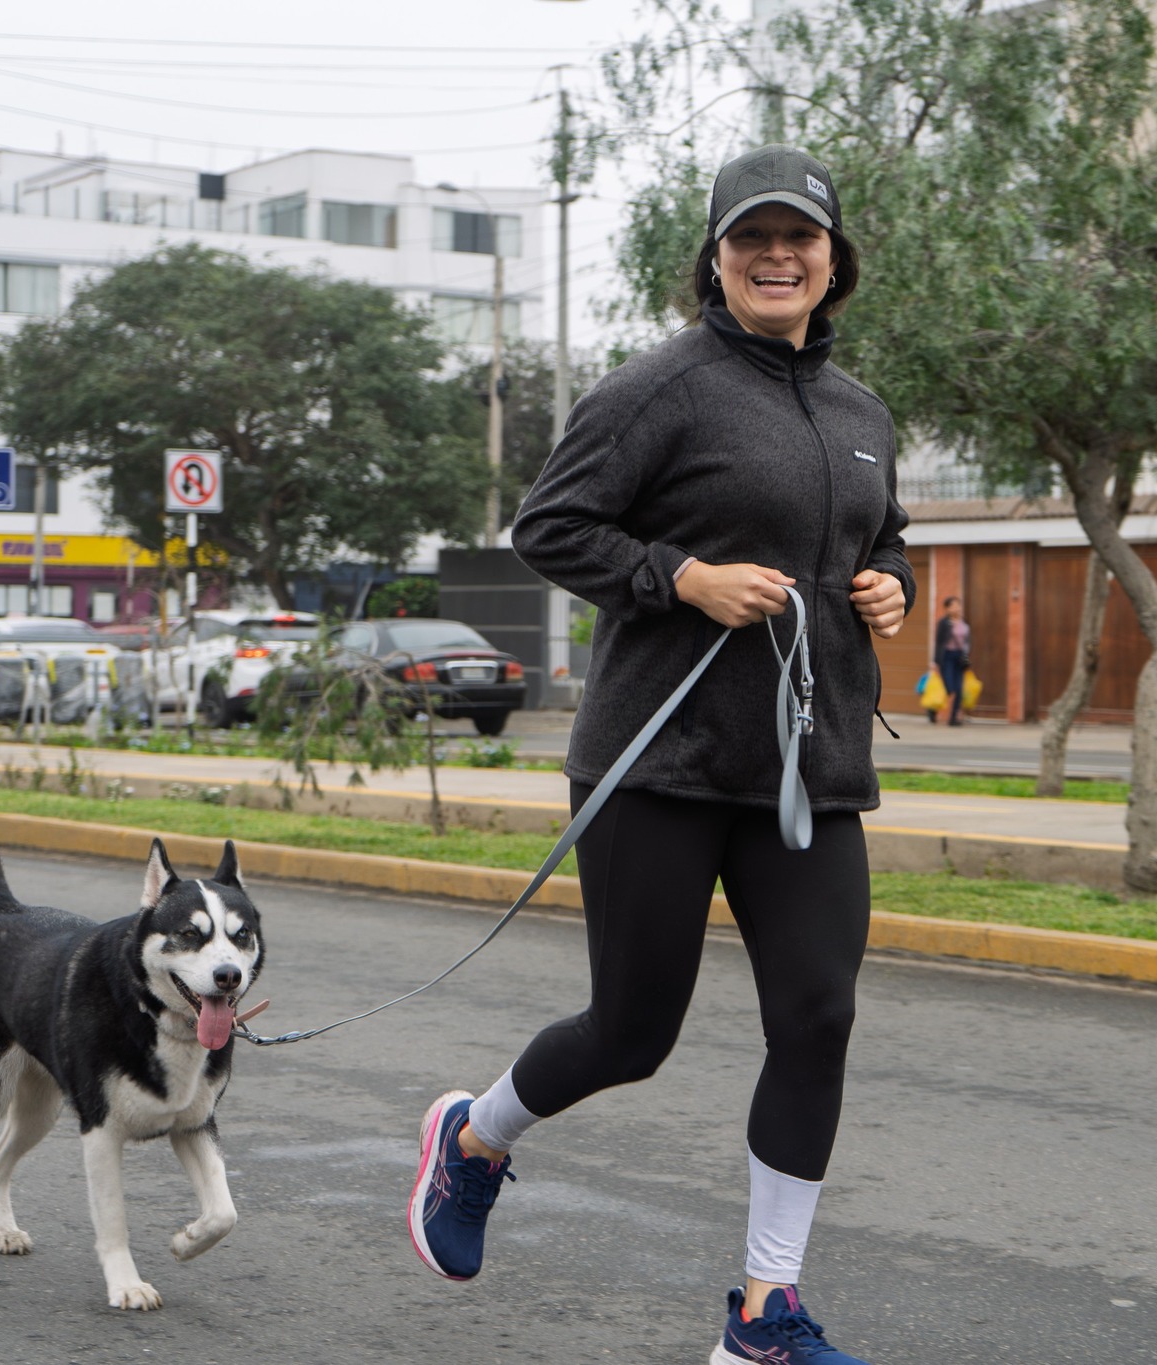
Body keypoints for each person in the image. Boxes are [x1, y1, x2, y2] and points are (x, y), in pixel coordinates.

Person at [407, 144, 910, 1365]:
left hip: (805, 764)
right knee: (633, 1033)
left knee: (818, 1018)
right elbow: (550, 525)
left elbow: (881, 533)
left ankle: (760, 1316)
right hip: (659, 760)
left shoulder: (860, 413)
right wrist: (677, 576)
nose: (777, 257)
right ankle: (474, 1139)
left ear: (834, 260)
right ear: (717, 259)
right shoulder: (659, 390)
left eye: (800, 238)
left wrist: (891, 582)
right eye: (752, 240)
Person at [931, 596, 970, 726]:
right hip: (946, 656)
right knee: (949, 687)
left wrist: (966, 656)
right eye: (953, 606)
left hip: (959, 658)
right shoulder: (944, 623)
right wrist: (935, 662)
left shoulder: (963, 622)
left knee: (958, 689)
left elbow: (967, 641)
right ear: (947, 608)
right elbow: (938, 642)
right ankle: (933, 709)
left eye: (958, 605)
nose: (957, 608)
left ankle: (953, 718)